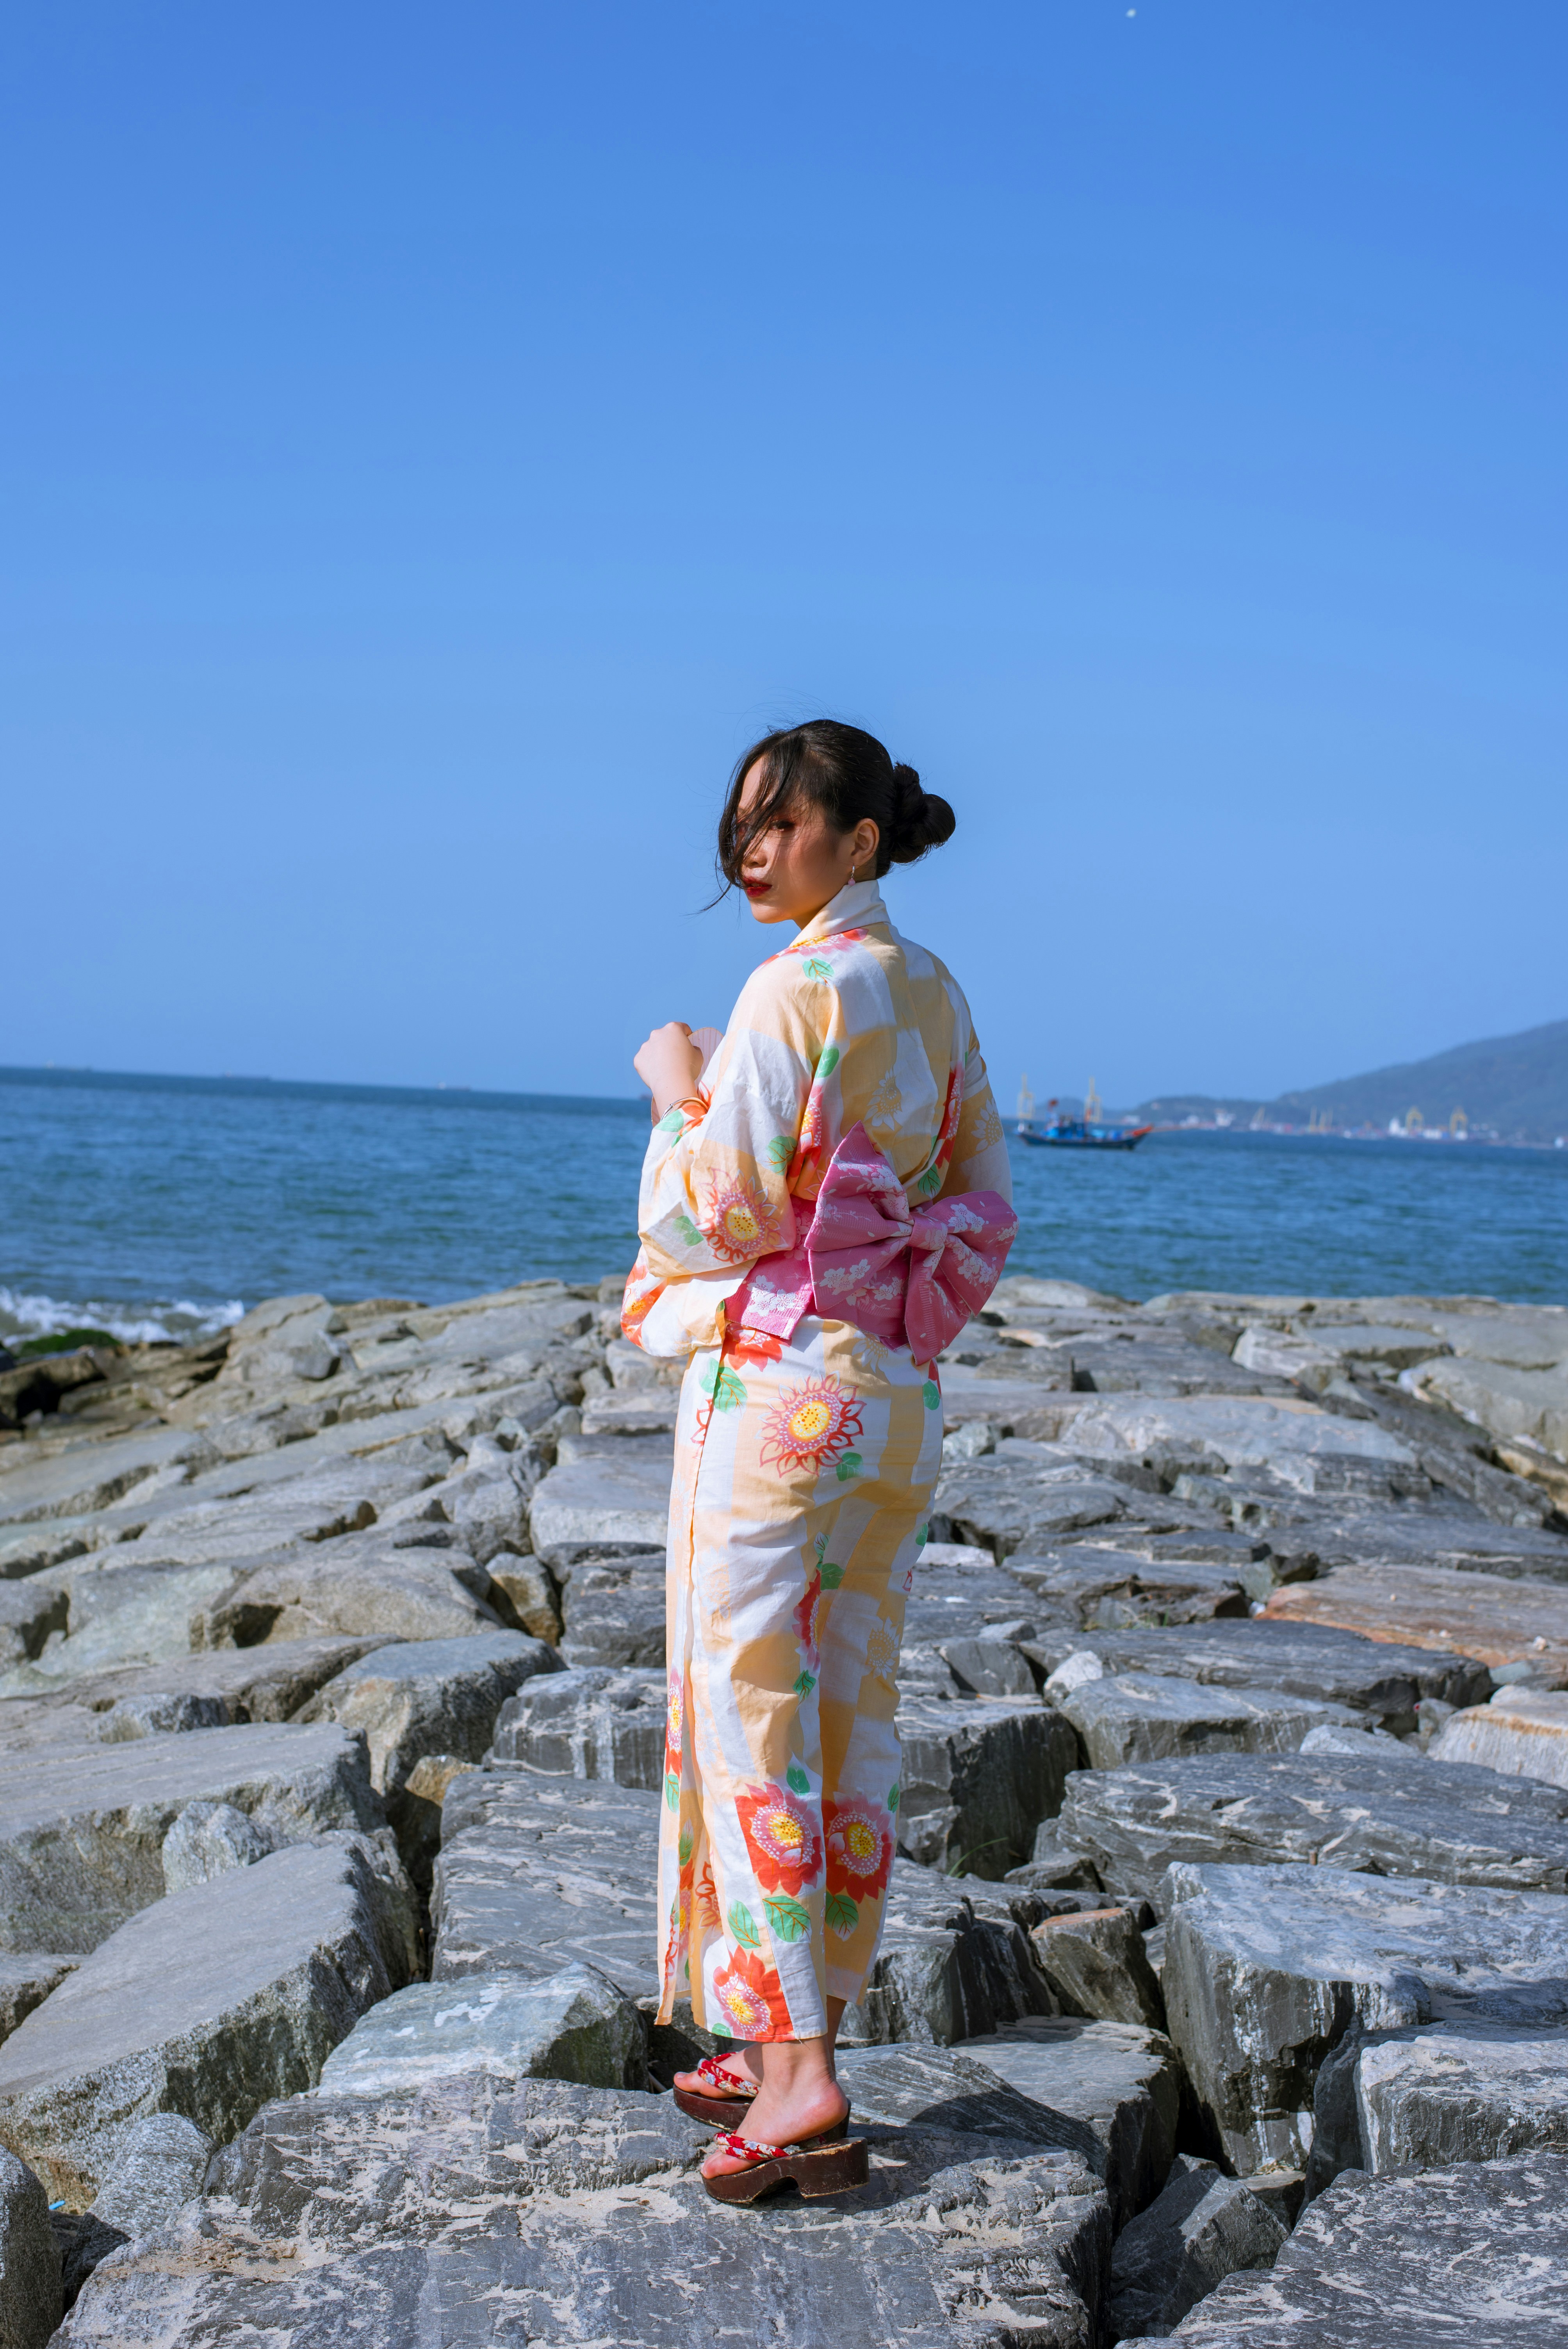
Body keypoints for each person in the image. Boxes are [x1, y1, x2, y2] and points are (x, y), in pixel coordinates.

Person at [624, 720, 1016, 2204]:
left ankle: (796, 2081)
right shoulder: (931, 989)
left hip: (781, 1388)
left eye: (783, 825)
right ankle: (783, 2025)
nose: (754, 851)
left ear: (859, 841)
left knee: (748, 1720)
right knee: (849, 1717)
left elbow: (710, 1220)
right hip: (895, 1395)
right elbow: (981, 1189)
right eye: (742, 828)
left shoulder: (788, 990)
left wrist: (679, 1090)